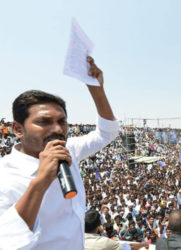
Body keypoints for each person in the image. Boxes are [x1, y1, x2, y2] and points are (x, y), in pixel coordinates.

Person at [0, 57, 119, 249]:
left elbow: (108, 132)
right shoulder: (5, 176)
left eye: (62, 122)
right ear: (18, 129)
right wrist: (41, 181)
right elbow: (8, 242)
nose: (57, 129)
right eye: (44, 122)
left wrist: (97, 90)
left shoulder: (69, 149)